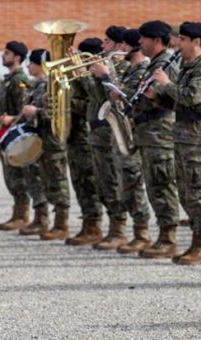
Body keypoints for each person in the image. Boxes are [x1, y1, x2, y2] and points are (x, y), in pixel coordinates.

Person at [149, 21, 201, 265]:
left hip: (198, 136)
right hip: (183, 134)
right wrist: (158, 97)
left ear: (196, 42)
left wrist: (167, 84)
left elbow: (192, 97)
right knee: (185, 190)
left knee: (198, 190)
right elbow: (179, 103)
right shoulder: (189, 66)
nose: (178, 45)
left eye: (182, 40)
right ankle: (195, 241)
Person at [89, 27, 153, 252]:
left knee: (132, 183)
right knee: (120, 183)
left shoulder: (142, 69)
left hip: (133, 133)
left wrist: (106, 76)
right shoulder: (129, 69)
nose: (120, 49)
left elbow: (126, 99)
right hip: (119, 133)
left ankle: (141, 232)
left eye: (124, 45)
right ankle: (123, 230)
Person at [133, 20, 181, 259]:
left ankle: (169, 238)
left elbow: (175, 98)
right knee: (154, 185)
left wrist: (157, 93)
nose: (140, 42)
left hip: (160, 133)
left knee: (162, 185)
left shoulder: (166, 65)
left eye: (144, 38)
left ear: (157, 41)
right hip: (149, 134)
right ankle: (163, 234)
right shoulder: (153, 64)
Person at [0, 41, 47, 232]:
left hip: (18, 132)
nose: (3, 55)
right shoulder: (10, 78)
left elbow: (23, 108)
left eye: (7, 53)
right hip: (7, 131)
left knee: (19, 175)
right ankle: (19, 212)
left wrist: (12, 120)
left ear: (17, 57)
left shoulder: (19, 80)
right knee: (11, 176)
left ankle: (24, 214)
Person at [21, 49, 72, 240]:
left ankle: (62, 223)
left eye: (32, 63)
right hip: (43, 138)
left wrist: (36, 112)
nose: (28, 66)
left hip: (54, 140)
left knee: (58, 182)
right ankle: (44, 219)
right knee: (48, 180)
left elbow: (58, 113)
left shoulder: (55, 85)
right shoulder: (43, 85)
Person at [65, 38, 107, 247]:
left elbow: (92, 102)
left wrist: (68, 101)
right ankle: (87, 222)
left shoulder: (94, 78)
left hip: (85, 133)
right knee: (79, 181)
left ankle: (94, 225)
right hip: (75, 134)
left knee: (88, 181)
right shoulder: (82, 77)